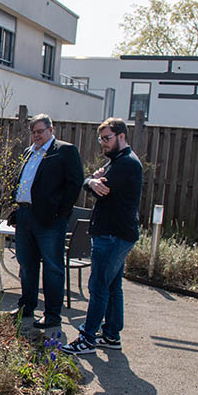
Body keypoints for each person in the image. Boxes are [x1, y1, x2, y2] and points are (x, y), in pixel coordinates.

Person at [61, 118, 143, 355]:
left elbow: (99, 188)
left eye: (107, 138)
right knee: (112, 285)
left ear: (121, 136)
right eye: (101, 139)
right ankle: (111, 335)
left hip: (114, 235)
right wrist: (92, 181)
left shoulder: (126, 163)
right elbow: (90, 182)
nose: (103, 144)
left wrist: (93, 182)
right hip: (114, 234)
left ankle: (87, 338)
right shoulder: (116, 162)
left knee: (98, 287)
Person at [9, 113, 83, 329]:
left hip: (50, 219)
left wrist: (61, 213)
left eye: (40, 131)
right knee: (26, 264)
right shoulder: (28, 152)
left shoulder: (64, 151)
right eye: (33, 132)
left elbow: (74, 183)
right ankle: (27, 306)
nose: (36, 136)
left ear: (52, 130)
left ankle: (52, 314)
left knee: (52, 267)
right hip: (24, 216)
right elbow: (21, 182)